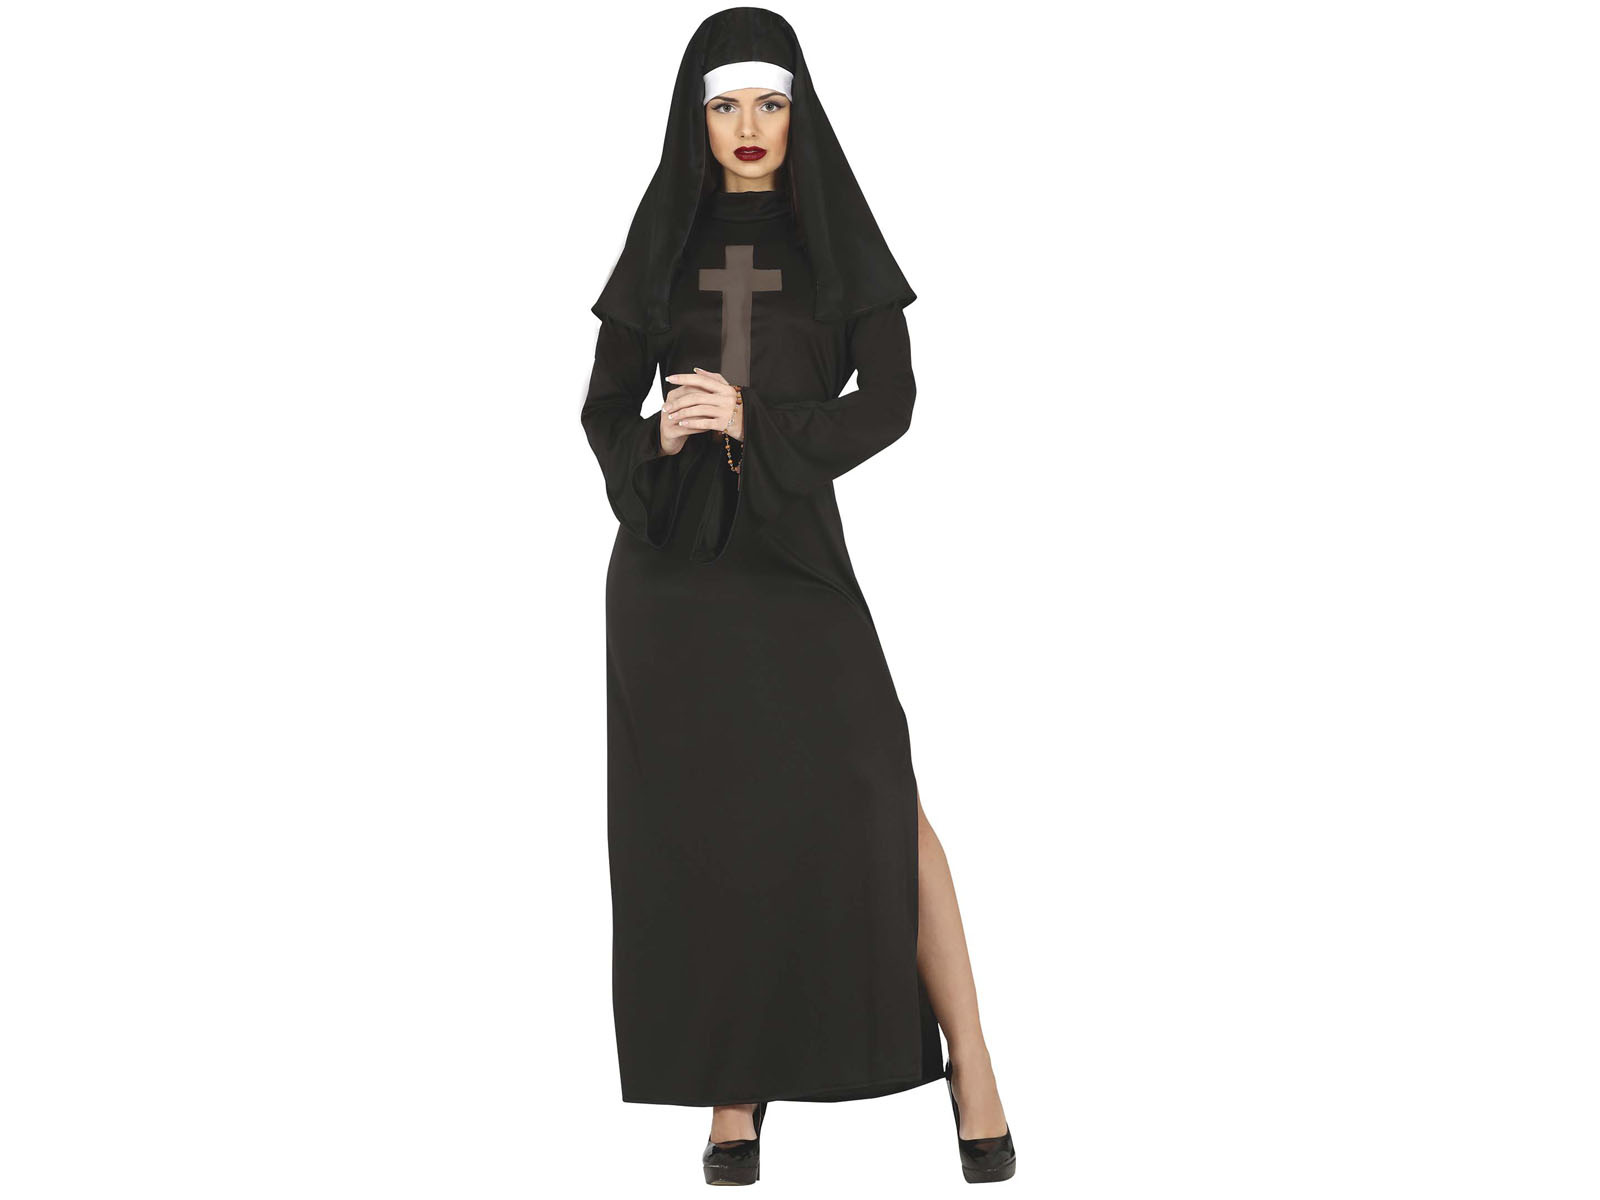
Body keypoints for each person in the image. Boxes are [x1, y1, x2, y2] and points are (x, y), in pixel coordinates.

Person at [580, 7, 1016, 1185]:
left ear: (798, 110)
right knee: (712, 826)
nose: (748, 125)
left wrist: (757, 420)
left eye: (769, 102)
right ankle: (733, 1093)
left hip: (794, 560)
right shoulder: (663, 241)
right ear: (695, 118)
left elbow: (893, 401)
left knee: (879, 792)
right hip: (674, 577)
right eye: (724, 104)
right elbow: (600, 410)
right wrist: (658, 434)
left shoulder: (836, 239)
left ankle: (971, 1061)